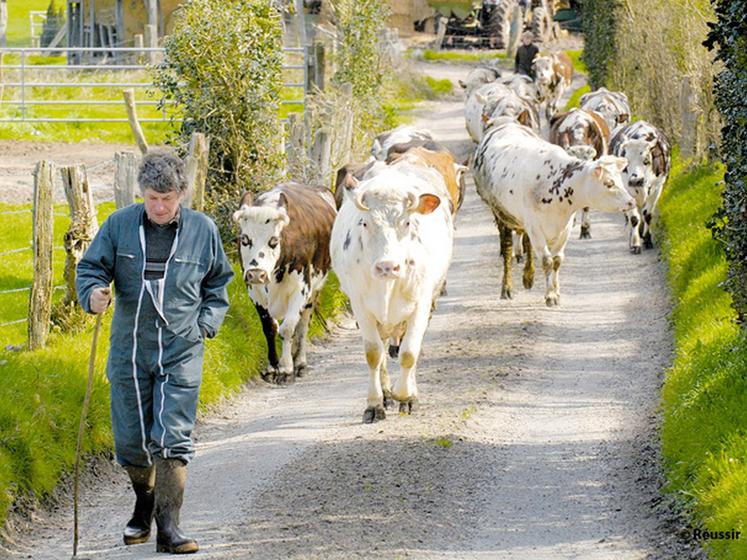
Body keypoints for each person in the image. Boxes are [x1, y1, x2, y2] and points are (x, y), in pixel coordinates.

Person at [76, 150, 234, 554]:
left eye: (167, 198)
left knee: (173, 438)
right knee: (131, 441)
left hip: (182, 348)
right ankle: (143, 501)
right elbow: (91, 268)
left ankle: (169, 527)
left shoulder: (203, 230)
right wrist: (92, 293)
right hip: (130, 349)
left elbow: (218, 285)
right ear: (142, 194)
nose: (160, 207)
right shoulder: (119, 226)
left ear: (181, 193)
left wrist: (205, 325)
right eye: (152, 198)